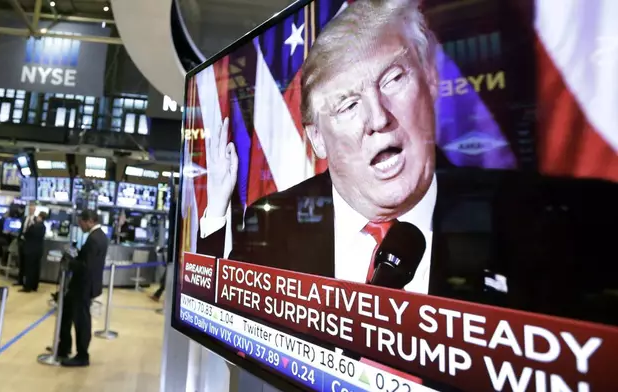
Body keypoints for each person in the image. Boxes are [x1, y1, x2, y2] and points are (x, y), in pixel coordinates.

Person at [196, 0, 618, 327]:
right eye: (346, 105)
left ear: (431, 82)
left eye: (393, 79)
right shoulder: (274, 221)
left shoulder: (540, 222)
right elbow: (227, 314)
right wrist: (215, 213)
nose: (378, 119)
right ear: (317, 138)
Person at [56, 209, 108, 367]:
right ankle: (64, 347)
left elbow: (86, 266)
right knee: (67, 314)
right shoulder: (100, 236)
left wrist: (71, 261)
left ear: (90, 221)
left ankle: (82, 355)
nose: (80, 227)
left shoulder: (93, 239)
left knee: (81, 320)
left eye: (81, 223)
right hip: (82, 285)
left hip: (83, 286)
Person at [20, 211, 47, 293]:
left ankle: (27, 287)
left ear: (39, 217)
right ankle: (34, 286)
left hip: (30, 250)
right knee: (36, 268)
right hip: (38, 250)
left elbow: (26, 235)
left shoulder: (33, 226)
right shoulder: (43, 227)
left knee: (29, 269)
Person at [15, 203, 36, 287]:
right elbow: (21, 229)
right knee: (21, 262)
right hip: (22, 242)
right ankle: (20, 281)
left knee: (28, 263)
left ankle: (26, 282)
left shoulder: (35, 220)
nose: (31, 210)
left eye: (32, 209)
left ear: (34, 210)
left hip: (30, 244)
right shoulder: (24, 218)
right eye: (30, 209)